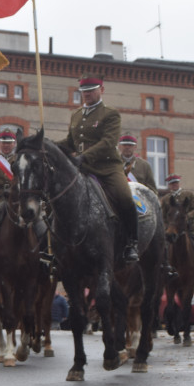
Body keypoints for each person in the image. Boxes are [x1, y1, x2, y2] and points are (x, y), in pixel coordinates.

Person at [59, 76, 138, 262]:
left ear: (101, 90)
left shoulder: (110, 114)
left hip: (107, 169)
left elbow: (108, 142)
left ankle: (131, 242)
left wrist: (84, 156)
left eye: (91, 90)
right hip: (81, 168)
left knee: (125, 197)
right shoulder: (77, 114)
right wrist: (48, 145)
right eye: (84, 91)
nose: (87, 94)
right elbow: (71, 142)